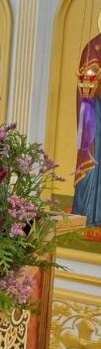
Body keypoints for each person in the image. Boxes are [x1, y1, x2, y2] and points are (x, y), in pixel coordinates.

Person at [72, 35, 101, 226]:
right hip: (94, 112)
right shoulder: (93, 48)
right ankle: (88, 213)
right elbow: (87, 84)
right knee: (93, 156)